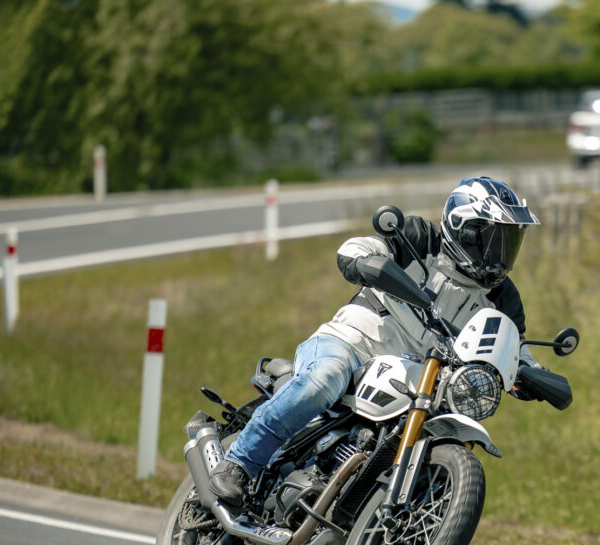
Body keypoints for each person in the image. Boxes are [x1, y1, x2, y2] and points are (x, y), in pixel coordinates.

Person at [209, 177, 542, 507]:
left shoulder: (502, 297)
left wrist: (534, 375)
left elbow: (516, 348)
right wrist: (363, 262)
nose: (501, 253)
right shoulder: (417, 239)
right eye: (493, 240)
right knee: (323, 380)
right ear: (464, 230)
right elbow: (361, 248)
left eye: (509, 242)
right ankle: (240, 463)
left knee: (437, 431)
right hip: (352, 343)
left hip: (419, 380)